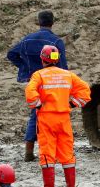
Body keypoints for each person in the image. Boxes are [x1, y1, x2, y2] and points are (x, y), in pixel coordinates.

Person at [25, 45, 91, 187]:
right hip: (64, 119)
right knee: (67, 154)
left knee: (47, 154)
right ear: (57, 59)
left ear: (42, 59)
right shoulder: (68, 75)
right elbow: (85, 91)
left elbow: (30, 92)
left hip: (46, 119)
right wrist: (72, 104)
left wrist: (38, 104)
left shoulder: (39, 75)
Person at [7, 10, 68, 162]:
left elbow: (11, 54)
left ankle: (30, 150)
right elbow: (62, 66)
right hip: (51, 84)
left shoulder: (27, 40)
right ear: (52, 23)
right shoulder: (55, 42)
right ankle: (54, 151)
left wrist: (25, 67)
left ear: (38, 22)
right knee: (54, 115)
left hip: (34, 82)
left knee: (36, 113)